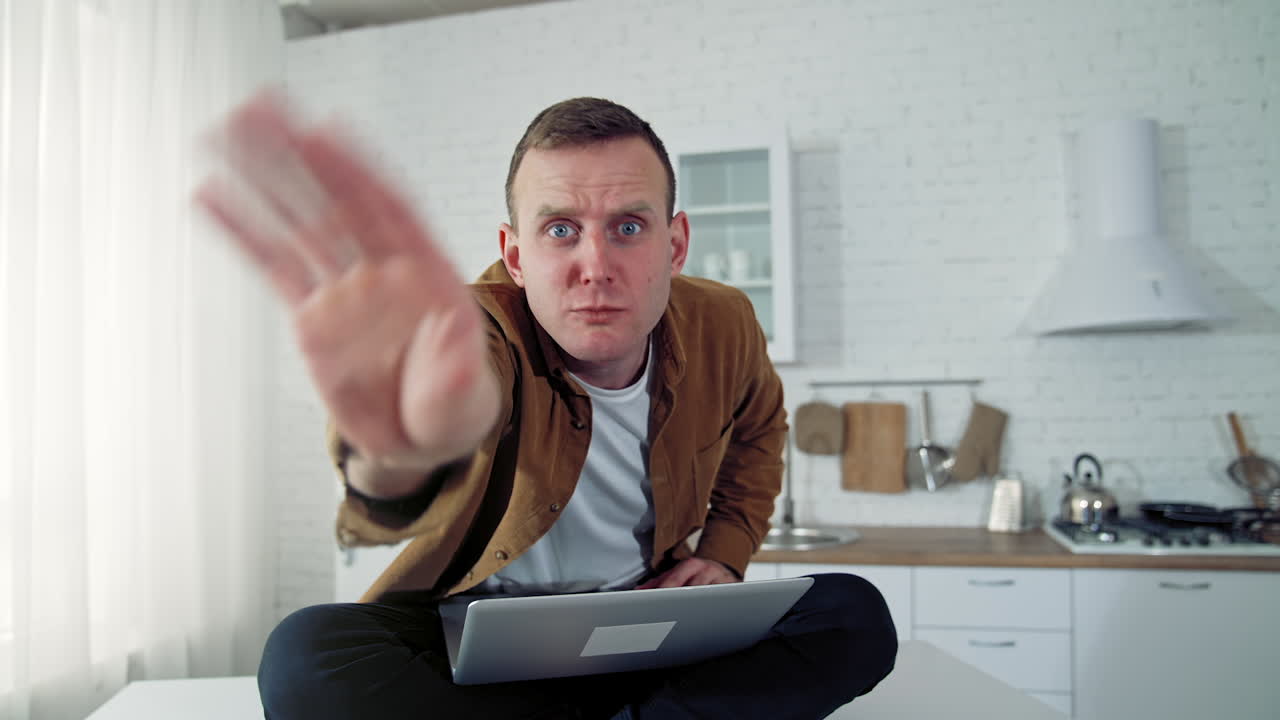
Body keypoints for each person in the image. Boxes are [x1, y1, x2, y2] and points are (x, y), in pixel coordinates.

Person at [197, 92, 896, 719]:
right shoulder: (472, 332)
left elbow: (759, 432)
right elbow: (425, 431)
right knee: (306, 655)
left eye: (628, 227)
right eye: (560, 229)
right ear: (515, 255)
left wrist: (723, 552)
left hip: (648, 621)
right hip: (479, 635)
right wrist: (406, 441)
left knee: (852, 613)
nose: (596, 266)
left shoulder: (726, 322)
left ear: (676, 243)